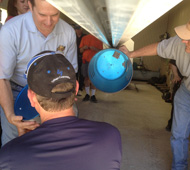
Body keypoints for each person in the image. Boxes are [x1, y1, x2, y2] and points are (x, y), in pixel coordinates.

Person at [120, 12, 190, 170]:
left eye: (189, 38)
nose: (183, 40)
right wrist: (131, 54)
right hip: (187, 90)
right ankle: (179, 167)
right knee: (178, 135)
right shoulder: (182, 43)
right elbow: (158, 47)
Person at [0, 51, 122, 170]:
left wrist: (21, 143)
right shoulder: (110, 135)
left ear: (31, 97)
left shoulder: (9, 156)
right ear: (77, 88)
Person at [0, 0, 77, 146]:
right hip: (18, 91)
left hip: (56, 92)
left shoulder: (68, 32)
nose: (48, 22)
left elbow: (71, 73)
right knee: (15, 145)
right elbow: (2, 78)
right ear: (30, 5)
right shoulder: (11, 30)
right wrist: (10, 115)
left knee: (59, 143)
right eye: (42, 14)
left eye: (54, 15)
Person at [80, 34, 103, 103]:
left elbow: (101, 52)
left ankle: (93, 95)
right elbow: (80, 50)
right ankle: (87, 94)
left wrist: (95, 49)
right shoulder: (84, 38)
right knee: (86, 78)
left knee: (93, 79)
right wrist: (84, 48)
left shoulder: (99, 39)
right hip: (85, 61)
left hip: (94, 62)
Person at [73, 24, 86, 96]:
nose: (78, 30)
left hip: (83, 56)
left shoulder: (85, 36)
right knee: (75, 73)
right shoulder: (73, 36)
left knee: (82, 73)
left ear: (82, 29)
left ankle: (80, 88)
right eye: (76, 29)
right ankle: (74, 89)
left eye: (79, 29)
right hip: (74, 56)